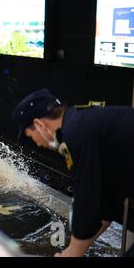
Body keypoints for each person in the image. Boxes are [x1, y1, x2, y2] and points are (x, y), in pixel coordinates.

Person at [12, 89, 134, 257]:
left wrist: (72, 253)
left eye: (31, 136)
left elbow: (87, 199)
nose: (37, 144)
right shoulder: (82, 123)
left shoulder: (75, 133)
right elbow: (106, 205)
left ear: (39, 125)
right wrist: (75, 250)